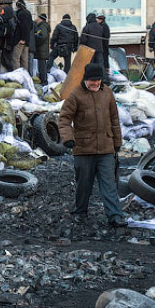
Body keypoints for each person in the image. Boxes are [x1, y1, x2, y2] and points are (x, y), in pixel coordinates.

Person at [58, 62, 127, 227]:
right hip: (83, 149)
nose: (95, 83)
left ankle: (115, 216)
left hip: (106, 148)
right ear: (85, 79)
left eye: (98, 80)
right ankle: (80, 212)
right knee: (84, 185)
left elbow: (114, 119)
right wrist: (68, 138)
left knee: (109, 184)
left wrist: (117, 142)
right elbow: (64, 119)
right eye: (92, 81)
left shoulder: (108, 93)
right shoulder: (75, 95)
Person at [14, 0, 33, 72]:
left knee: (16, 58)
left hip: (20, 39)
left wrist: (22, 39)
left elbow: (24, 27)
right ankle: (25, 75)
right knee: (24, 59)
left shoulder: (21, 14)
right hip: (27, 40)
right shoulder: (28, 13)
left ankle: (17, 75)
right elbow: (30, 26)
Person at [34, 13, 51, 85]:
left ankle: (44, 81)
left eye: (37, 17)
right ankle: (42, 80)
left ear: (40, 18)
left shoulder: (42, 26)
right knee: (41, 66)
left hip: (41, 50)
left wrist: (36, 40)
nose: (36, 19)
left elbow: (42, 36)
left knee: (42, 67)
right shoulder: (43, 26)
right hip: (42, 49)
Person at [95, 14, 111, 78]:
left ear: (101, 20)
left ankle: (105, 74)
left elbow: (106, 36)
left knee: (104, 59)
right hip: (103, 45)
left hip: (103, 45)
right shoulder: (102, 25)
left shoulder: (104, 26)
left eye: (98, 19)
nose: (97, 20)